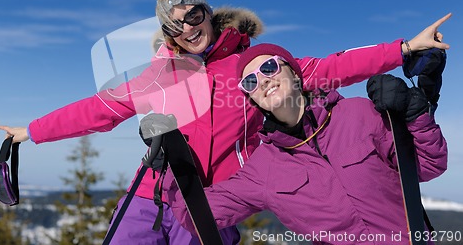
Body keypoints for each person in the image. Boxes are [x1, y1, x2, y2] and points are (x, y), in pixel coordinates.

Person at [0, 0, 451, 245]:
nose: (187, 28)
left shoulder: (256, 66)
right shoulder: (159, 75)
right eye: (174, 24)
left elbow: (333, 66)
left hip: (213, 201)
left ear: (208, 13)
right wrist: (30, 132)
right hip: (149, 196)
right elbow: (96, 111)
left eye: (193, 14)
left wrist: (403, 48)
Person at [166, 43, 448, 245]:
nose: (262, 81)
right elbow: (197, 214)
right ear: (251, 99)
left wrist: (414, 113)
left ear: (295, 74)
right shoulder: (264, 168)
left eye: (269, 67)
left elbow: (429, 165)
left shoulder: (358, 113)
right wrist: (171, 164)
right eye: (250, 82)